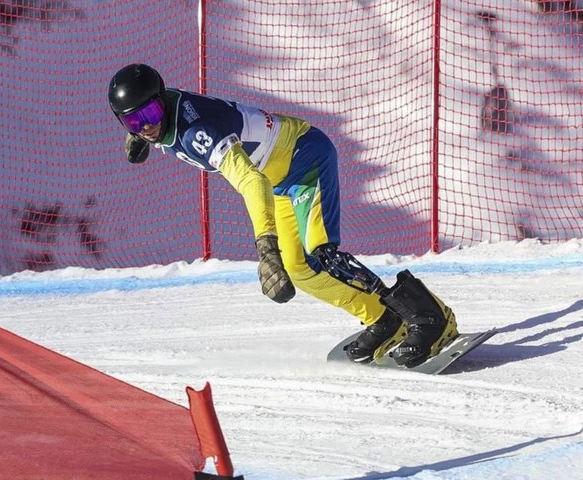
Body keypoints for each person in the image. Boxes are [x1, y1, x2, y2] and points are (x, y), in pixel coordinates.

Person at [107, 63, 458, 368]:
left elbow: (250, 180)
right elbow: (154, 120)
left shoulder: (197, 131)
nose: (145, 125)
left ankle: (429, 317)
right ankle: (383, 319)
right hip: (283, 182)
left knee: (323, 254)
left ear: (162, 101)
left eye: (150, 115)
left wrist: (266, 248)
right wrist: (144, 136)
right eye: (132, 121)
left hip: (305, 159)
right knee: (301, 269)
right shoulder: (163, 116)